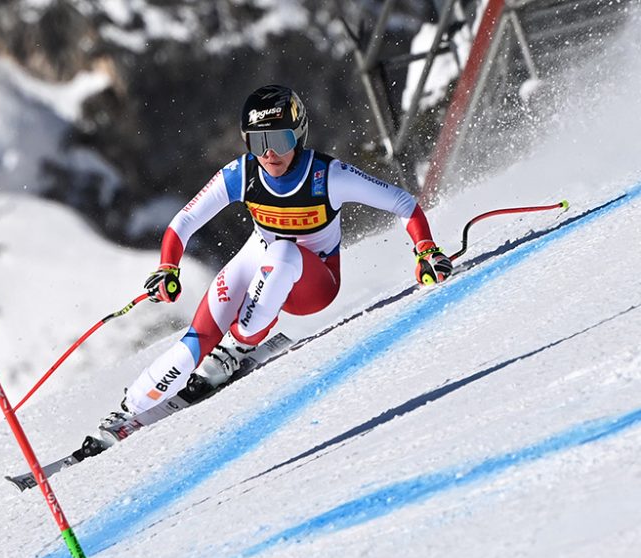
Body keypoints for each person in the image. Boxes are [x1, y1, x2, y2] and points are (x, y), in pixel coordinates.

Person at [91, 84, 452, 445]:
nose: (269, 154)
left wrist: (426, 250)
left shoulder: (327, 176)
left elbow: (403, 203)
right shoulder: (242, 174)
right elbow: (183, 223)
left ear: (299, 135)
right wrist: (168, 268)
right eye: (258, 142)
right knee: (192, 346)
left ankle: (237, 347)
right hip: (260, 262)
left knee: (283, 252)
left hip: (313, 285)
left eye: (279, 140)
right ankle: (127, 411)